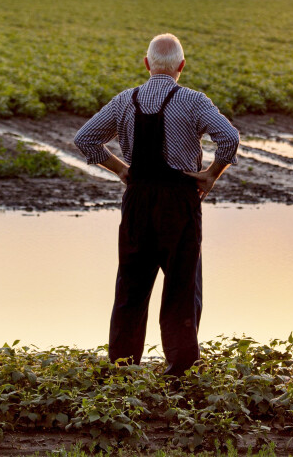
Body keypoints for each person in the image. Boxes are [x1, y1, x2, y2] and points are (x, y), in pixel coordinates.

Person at [73, 33, 239, 374]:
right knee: (182, 285)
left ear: (147, 64)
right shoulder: (193, 101)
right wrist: (211, 174)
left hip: (138, 200)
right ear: (181, 65)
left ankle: (123, 368)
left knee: (131, 285)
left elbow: (85, 138)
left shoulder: (125, 100)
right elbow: (230, 137)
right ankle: (180, 371)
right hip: (180, 201)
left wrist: (121, 169)